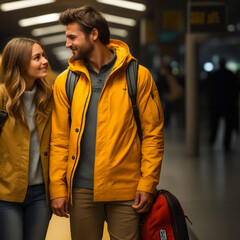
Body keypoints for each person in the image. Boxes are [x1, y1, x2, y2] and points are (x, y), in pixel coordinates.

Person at [49, 6, 164, 240]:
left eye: (72, 37)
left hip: (126, 191)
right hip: (81, 191)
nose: (67, 44)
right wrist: (58, 189)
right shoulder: (65, 82)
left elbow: (153, 134)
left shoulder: (138, 76)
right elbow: (59, 139)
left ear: (93, 34)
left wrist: (147, 183)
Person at [0, 37, 53, 240]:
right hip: (6, 194)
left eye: (43, 55)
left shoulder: (48, 97)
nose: (44, 61)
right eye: (37, 57)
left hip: (41, 195)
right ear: (19, 63)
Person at [208, 58, 238, 151]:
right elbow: (235, 89)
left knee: (214, 125)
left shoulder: (215, 75)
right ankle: (226, 145)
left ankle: (212, 141)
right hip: (228, 104)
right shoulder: (230, 74)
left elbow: (210, 90)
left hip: (216, 104)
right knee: (228, 126)